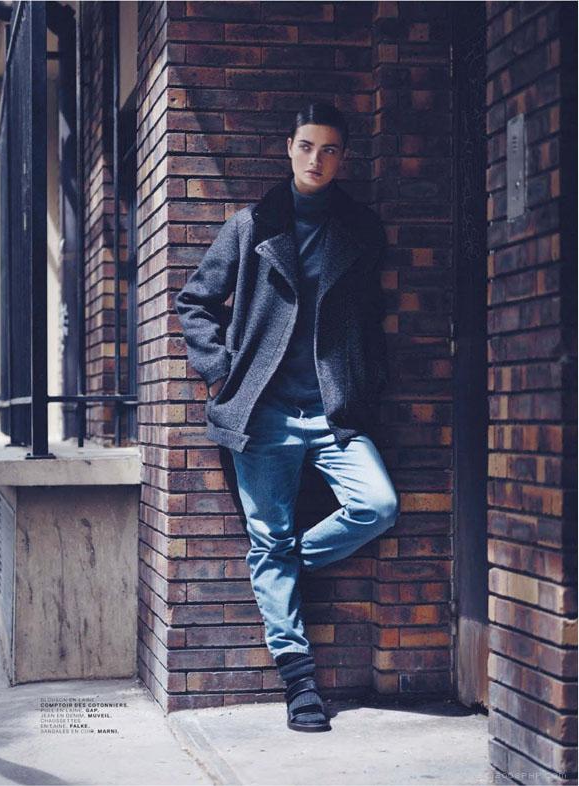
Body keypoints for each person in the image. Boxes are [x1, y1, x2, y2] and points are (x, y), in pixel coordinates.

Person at [175, 102, 399, 733]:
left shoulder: (361, 229)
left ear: (342, 157)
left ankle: (284, 564)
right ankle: (299, 685)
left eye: (329, 149)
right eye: (306, 146)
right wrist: (222, 371)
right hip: (263, 414)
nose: (316, 160)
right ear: (288, 148)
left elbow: (370, 321)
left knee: (377, 505)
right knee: (265, 536)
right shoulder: (250, 226)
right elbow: (194, 301)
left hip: (334, 411)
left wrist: (365, 382)